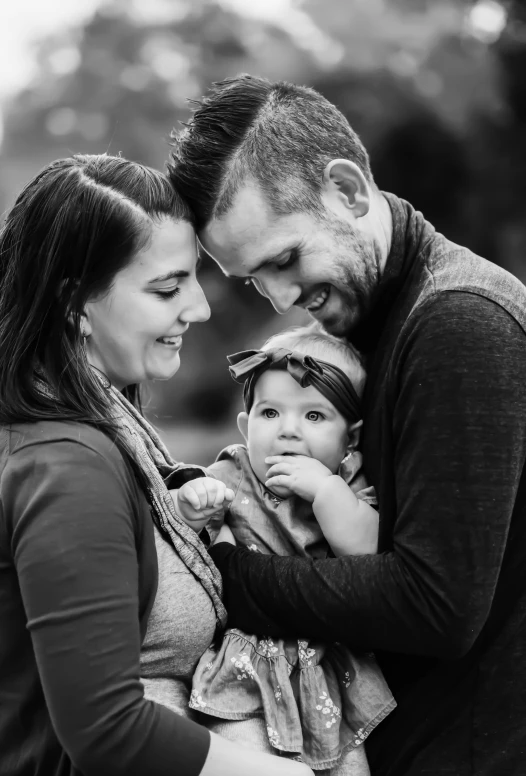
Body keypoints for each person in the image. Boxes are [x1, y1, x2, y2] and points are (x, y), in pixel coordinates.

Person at [167, 75, 526, 776]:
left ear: (350, 190)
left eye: (283, 259)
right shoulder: (371, 327)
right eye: (252, 280)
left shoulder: (461, 321)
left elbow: (437, 607)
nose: (281, 297)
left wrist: (222, 571)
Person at [0, 153, 313, 776]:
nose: (197, 306)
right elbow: (107, 731)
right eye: (167, 287)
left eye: (193, 277)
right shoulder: (66, 470)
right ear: (75, 304)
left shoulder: (109, 416)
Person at [173, 325, 395, 775]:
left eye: (314, 417)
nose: (288, 431)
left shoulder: (350, 485)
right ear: (245, 426)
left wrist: (326, 490)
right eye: (270, 413)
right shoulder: (235, 473)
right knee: (243, 749)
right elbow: (188, 523)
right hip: (247, 662)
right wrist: (193, 501)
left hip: (327, 671)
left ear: (350, 440)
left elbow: (367, 549)